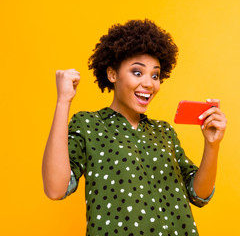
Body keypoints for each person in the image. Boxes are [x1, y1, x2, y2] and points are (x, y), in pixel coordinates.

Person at [42, 19, 227, 236]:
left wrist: (212, 144)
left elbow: (199, 194)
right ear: (112, 74)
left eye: (155, 75)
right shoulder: (88, 124)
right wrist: (63, 101)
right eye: (137, 72)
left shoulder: (164, 132)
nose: (149, 83)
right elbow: (55, 189)